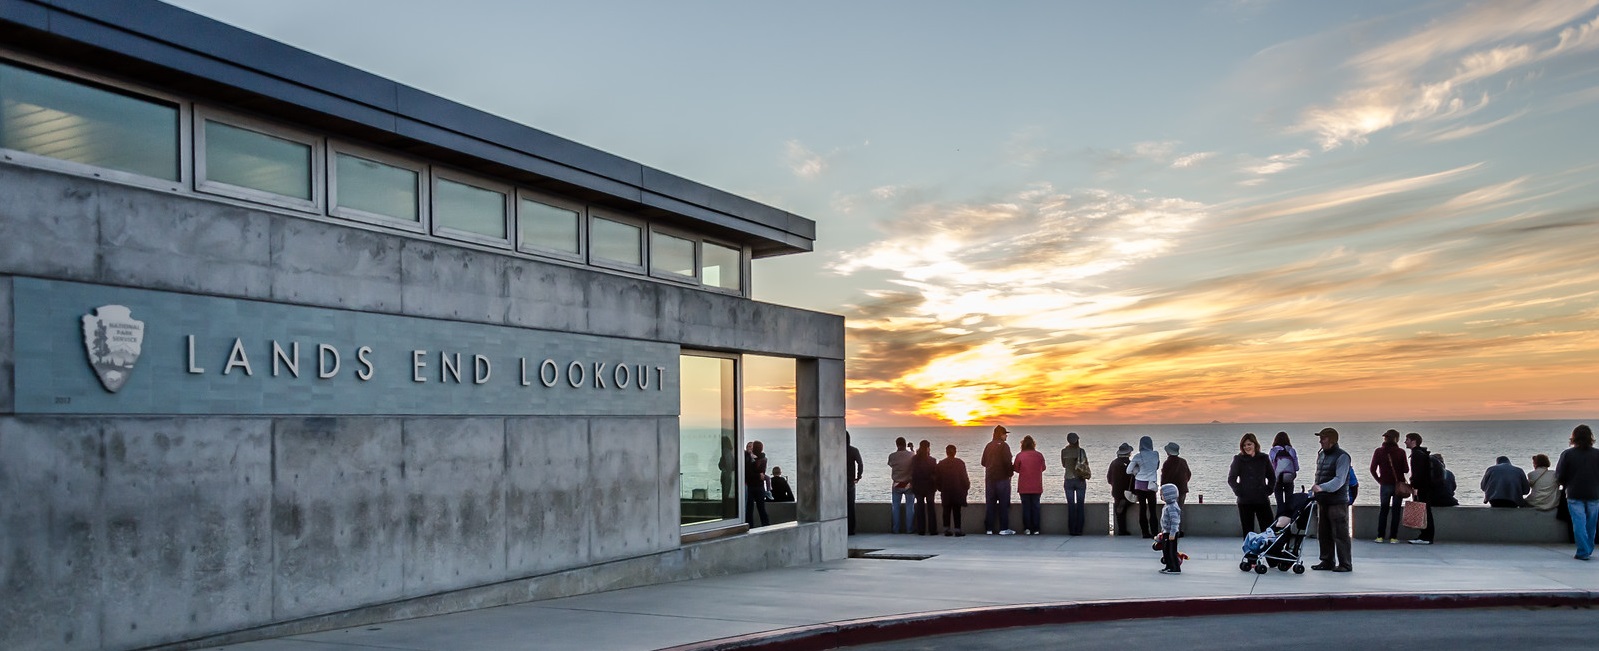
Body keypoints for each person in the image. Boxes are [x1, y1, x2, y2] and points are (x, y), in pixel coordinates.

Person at [1309, 427, 1353, 572]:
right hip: (1323, 500)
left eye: (1323, 438)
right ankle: (1327, 561)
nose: (1320, 441)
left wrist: (1321, 487)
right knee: (1324, 532)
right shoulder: (1322, 455)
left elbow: (1339, 481)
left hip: (1337, 501)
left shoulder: (1343, 456)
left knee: (1340, 533)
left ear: (1332, 440)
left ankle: (1345, 564)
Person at [1555, 424, 1599, 561]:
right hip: (1594, 493)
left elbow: (1559, 475)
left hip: (1574, 493)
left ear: (1574, 438)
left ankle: (1583, 551)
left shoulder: (1567, 454)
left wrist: (1566, 484)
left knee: (1579, 523)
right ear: (1590, 437)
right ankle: (1588, 549)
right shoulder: (1597, 454)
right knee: (1591, 524)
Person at [1228, 433, 1275, 535]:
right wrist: (1239, 491)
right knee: (1248, 531)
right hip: (1245, 501)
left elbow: (1272, 476)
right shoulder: (1238, 459)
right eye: (1244, 445)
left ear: (1255, 444)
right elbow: (1231, 479)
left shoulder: (1264, 458)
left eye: (1249, 444)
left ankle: (1268, 549)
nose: (1247, 447)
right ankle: (1249, 550)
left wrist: (1268, 490)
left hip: (1262, 499)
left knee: (1268, 529)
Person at [1368, 429, 1408, 543]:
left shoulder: (1379, 451)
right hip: (1397, 485)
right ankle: (1393, 537)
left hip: (1385, 484)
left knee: (1383, 510)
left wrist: (1379, 480)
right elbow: (1406, 469)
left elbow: (1372, 469)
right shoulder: (1401, 452)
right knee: (1396, 511)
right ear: (1396, 439)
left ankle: (1380, 536)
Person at [980, 425, 1016, 535]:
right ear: (1001, 435)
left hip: (990, 479)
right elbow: (1007, 462)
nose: (1006, 436)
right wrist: (1010, 473)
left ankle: (989, 528)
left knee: (990, 504)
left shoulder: (988, 446)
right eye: (1005, 434)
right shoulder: (1004, 446)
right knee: (1003, 504)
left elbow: (983, 462)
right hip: (1002, 479)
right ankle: (1003, 528)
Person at [1127, 436, 1161, 538]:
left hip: (1139, 485)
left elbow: (1128, 471)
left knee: (1142, 509)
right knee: (1152, 510)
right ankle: (1155, 532)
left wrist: (1137, 470)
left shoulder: (1138, 456)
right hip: (1151, 485)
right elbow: (1157, 466)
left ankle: (1145, 533)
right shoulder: (1156, 454)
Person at [1406, 432, 1436, 545]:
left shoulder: (1416, 455)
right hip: (1426, 487)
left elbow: (1418, 473)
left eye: (1407, 439)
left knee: (1424, 511)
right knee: (1425, 511)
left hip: (1422, 488)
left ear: (1413, 441)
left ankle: (1426, 537)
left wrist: (1415, 487)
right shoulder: (1421, 453)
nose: (1405, 442)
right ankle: (1425, 536)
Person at [935, 444, 970, 536]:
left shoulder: (941, 464)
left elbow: (937, 479)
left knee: (946, 510)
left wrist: (940, 488)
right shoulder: (960, 463)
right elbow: (964, 478)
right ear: (955, 452)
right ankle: (957, 530)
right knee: (956, 511)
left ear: (946, 452)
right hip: (957, 491)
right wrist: (966, 487)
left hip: (946, 491)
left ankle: (946, 529)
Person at [1014, 435, 1046, 535]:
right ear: (1033, 444)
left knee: (1026, 508)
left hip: (1024, 486)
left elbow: (1015, 468)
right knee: (1036, 507)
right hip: (1036, 486)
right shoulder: (1039, 455)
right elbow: (1043, 468)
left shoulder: (1020, 455)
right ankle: (1036, 529)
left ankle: (1027, 528)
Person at [1059, 433, 1090, 535]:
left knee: (1071, 505)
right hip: (1080, 479)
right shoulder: (1081, 451)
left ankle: (1071, 529)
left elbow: (1064, 465)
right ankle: (1079, 529)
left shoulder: (1064, 451)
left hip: (1068, 479)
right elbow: (1085, 464)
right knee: (1080, 505)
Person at [910, 440, 939, 536]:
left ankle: (921, 529)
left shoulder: (914, 459)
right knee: (931, 508)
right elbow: (935, 474)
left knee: (920, 508)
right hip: (930, 487)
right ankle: (932, 530)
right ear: (928, 448)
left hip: (918, 486)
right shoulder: (932, 460)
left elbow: (913, 473)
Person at [886, 437, 915, 534]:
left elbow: (890, 464)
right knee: (910, 507)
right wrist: (912, 449)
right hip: (908, 483)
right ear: (905, 443)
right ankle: (909, 529)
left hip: (897, 483)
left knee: (895, 507)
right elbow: (914, 460)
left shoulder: (892, 456)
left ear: (896, 444)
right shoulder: (911, 455)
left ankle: (896, 529)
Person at [1108, 443, 1135, 536]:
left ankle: (1121, 530)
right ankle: (1125, 503)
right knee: (1127, 503)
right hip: (1127, 490)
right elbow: (1133, 478)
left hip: (1116, 490)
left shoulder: (1114, 463)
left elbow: (1109, 478)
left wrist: (1114, 484)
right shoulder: (1130, 464)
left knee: (1119, 511)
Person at [1269, 432, 1299, 509]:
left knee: (1280, 502)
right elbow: (1296, 467)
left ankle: (1279, 516)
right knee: (1289, 501)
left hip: (1277, 479)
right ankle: (1289, 518)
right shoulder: (1291, 450)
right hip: (1289, 478)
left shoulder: (1273, 451)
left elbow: (1270, 466)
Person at [744, 440, 770, 528]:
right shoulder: (763, 458)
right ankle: (766, 526)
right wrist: (758, 475)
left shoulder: (752, 458)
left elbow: (748, 473)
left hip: (752, 486)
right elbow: (760, 474)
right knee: (760, 508)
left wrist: (752, 460)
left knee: (750, 509)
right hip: (759, 486)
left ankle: (750, 527)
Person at [1158, 483, 1183, 574]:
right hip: (1166, 532)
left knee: (1171, 551)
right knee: (1166, 550)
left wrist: (1173, 533)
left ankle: (1175, 567)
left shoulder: (1172, 507)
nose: (1161, 497)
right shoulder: (1167, 506)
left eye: (1162, 495)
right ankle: (1168, 566)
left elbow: (1175, 521)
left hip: (1171, 533)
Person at [846, 432, 863, 535]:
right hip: (850, 482)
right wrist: (858, 476)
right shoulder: (853, 450)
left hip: (837, 482)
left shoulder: (835, 450)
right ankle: (851, 529)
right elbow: (860, 464)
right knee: (850, 506)